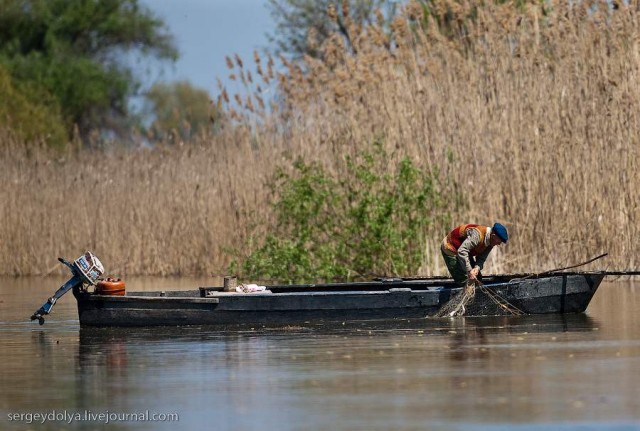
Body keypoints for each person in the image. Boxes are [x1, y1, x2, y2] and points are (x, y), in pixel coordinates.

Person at [441, 223, 508, 286]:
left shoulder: (491, 242)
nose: (499, 244)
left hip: (465, 251)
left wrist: (476, 268)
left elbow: (481, 258)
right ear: (493, 236)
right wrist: (469, 270)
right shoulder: (477, 235)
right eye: (499, 241)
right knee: (465, 280)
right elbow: (462, 251)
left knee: (478, 279)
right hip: (450, 247)